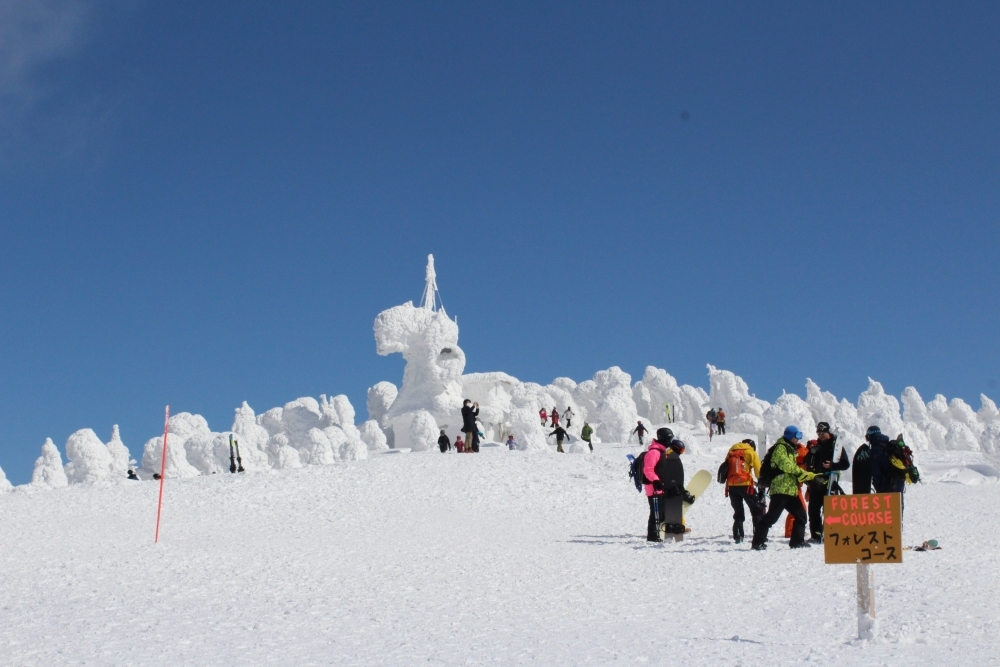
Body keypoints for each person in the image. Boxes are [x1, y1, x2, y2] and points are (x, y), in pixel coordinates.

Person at [750, 426, 818, 550]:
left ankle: (797, 542)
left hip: (790, 490)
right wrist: (801, 472)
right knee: (771, 517)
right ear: (790, 436)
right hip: (781, 489)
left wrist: (806, 476)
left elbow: (791, 469)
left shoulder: (790, 449)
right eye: (797, 436)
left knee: (801, 515)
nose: (798, 439)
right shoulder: (780, 448)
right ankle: (757, 542)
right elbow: (786, 465)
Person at [803, 422, 850, 542]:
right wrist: (812, 453)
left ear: (828, 432)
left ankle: (831, 534)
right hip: (815, 483)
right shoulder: (817, 445)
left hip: (829, 483)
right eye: (818, 433)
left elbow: (845, 464)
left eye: (823, 433)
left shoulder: (836, 446)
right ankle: (816, 535)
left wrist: (832, 465)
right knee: (813, 510)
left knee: (830, 511)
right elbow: (806, 461)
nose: (821, 435)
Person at [642, 428, 689, 542]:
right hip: (653, 488)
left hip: (660, 488)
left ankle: (661, 533)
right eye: (668, 439)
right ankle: (653, 537)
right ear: (662, 438)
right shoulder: (654, 452)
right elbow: (648, 470)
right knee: (656, 513)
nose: (670, 441)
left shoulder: (662, 452)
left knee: (662, 513)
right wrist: (656, 481)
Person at [723, 439, 763, 543]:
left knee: (738, 512)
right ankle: (759, 534)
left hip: (732, 486)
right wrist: (761, 482)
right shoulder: (750, 452)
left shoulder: (731, 451)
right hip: (746, 486)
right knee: (756, 510)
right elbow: (759, 472)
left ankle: (738, 536)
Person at [868, 426, 906, 510]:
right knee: (898, 512)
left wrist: (878, 487)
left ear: (870, 436)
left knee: (886, 513)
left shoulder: (875, 450)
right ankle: (900, 523)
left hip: (886, 486)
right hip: (899, 483)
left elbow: (875, 471)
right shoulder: (890, 446)